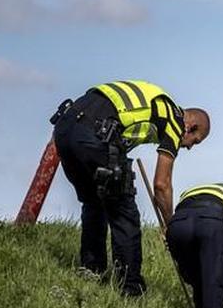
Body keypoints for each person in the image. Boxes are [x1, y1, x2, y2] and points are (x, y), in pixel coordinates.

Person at [49, 80, 210, 296]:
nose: (189, 147)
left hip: (65, 128)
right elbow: (161, 185)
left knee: (94, 200)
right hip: (96, 131)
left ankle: (92, 270)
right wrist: (170, 225)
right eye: (195, 141)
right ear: (191, 127)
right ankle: (130, 288)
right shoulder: (174, 119)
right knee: (125, 212)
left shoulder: (151, 102)